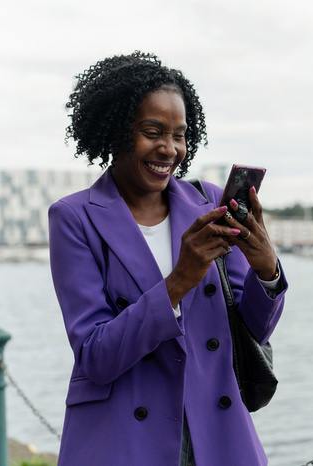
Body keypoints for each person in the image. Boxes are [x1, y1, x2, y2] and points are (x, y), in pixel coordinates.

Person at [48, 51, 287, 465]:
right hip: (123, 437)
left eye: (179, 134)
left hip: (216, 430)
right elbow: (96, 356)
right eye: (152, 131)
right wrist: (179, 281)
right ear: (115, 132)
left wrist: (266, 269)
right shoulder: (74, 218)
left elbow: (254, 330)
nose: (169, 148)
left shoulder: (208, 201)